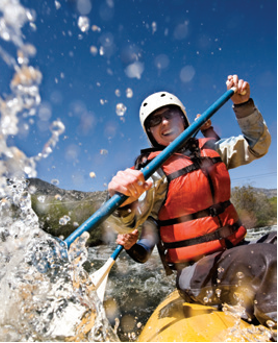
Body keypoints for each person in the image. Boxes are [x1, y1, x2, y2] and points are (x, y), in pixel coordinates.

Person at [108, 75, 277, 328]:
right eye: (155, 120)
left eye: (170, 114)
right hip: (196, 273)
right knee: (266, 261)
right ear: (151, 133)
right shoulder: (152, 174)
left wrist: (243, 105)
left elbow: (258, 145)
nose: (164, 122)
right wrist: (120, 198)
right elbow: (129, 221)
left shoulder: (213, 149)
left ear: (184, 118)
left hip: (234, 251)